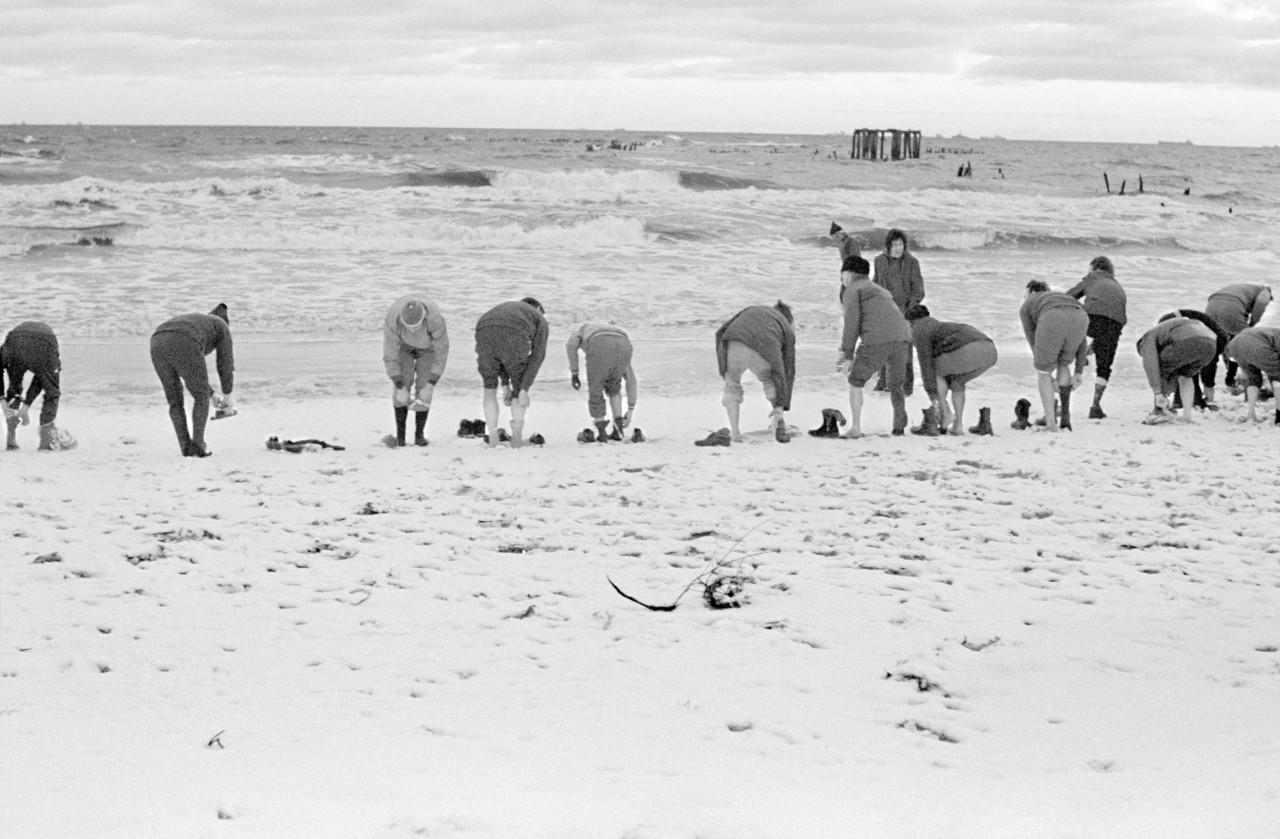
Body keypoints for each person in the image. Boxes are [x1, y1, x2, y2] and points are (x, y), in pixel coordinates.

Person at [698, 301, 795, 445]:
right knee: (769, 379)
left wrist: (723, 367)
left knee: (732, 384)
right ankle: (779, 421)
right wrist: (781, 404)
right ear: (789, 320)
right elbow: (787, 370)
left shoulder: (753, 309)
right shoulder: (785, 326)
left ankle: (735, 433)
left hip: (733, 341)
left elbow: (720, 332)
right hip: (764, 346)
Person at [838, 256, 912, 438]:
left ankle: (855, 427)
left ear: (849, 273)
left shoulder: (853, 290)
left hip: (877, 340)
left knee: (855, 381)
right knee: (896, 384)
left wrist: (847, 355)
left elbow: (851, 324)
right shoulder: (880, 290)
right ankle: (899, 426)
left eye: (842, 275)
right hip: (903, 338)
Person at [149, 303, 234, 457]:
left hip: (157, 341)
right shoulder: (222, 327)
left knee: (175, 401)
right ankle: (198, 445)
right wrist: (227, 396)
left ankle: (185, 447)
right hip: (185, 339)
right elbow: (225, 363)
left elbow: (189, 370)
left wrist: (213, 394)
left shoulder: (200, 321)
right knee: (201, 398)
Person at [904, 305, 998, 436]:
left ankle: (946, 413)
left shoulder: (919, 328)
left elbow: (926, 366)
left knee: (934, 372)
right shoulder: (937, 326)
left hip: (968, 350)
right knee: (956, 382)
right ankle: (957, 426)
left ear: (911, 322)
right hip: (990, 351)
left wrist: (933, 398)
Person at [474, 297, 548, 449]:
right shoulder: (539, 318)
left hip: (483, 326)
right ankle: (516, 439)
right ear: (538, 309)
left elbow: (500, 353)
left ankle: (493, 437)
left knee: (489, 388)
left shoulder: (509, 308)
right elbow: (537, 357)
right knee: (519, 385)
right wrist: (523, 389)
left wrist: (505, 385)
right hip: (513, 332)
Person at [1019, 281, 1088, 431]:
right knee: (1063, 364)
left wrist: (1045, 370)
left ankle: (1051, 424)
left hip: (1052, 317)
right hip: (1081, 316)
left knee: (1043, 373)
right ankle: (1065, 416)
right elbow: (1082, 342)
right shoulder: (1060, 297)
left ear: (1031, 291)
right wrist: (1078, 372)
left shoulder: (1028, 304)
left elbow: (1033, 340)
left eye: (1024, 294)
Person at [382, 295, 449, 447]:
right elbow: (390, 357)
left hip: (427, 348)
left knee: (424, 385)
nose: (412, 329)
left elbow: (441, 354)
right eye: (408, 326)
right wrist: (399, 387)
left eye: (416, 326)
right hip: (403, 346)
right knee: (403, 385)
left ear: (424, 318)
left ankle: (420, 436)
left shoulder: (435, 320)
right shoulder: (392, 319)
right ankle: (401, 437)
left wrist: (431, 384)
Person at [1065, 255, 1127, 418]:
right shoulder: (1116, 284)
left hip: (1091, 316)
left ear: (1095, 267)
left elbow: (1069, 296)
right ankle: (1095, 406)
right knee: (1104, 367)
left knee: (1075, 324)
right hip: (1115, 324)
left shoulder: (1093, 277)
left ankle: (1078, 353)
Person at [2, 321, 73, 451]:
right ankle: (46, 441)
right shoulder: (49, 351)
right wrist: (27, 403)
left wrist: (2, 399)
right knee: (52, 392)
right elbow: (43, 379)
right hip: (43, 343)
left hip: (14, 341)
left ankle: (11, 438)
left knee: (14, 389)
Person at [1136, 316, 1218, 424]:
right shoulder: (1164, 330)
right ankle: (1187, 415)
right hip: (1210, 344)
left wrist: (1158, 392)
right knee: (1186, 376)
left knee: (1161, 368)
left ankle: (1160, 411)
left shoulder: (1147, 337)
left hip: (1185, 340)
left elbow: (1152, 365)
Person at [872, 229, 925, 394]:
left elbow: (918, 290)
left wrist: (909, 311)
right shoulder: (879, 261)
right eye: (895, 244)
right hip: (886, 311)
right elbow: (876, 285)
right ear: (888, 246)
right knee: (884, 348)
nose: (898, 248)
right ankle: (883, 383)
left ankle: (906, 387)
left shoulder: (912, 262)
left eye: (901, 244)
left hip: (906, 312)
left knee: (905, 352)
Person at [565, 322, 637, 442]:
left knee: (596, 388)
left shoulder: (582, 330)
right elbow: (631, 380)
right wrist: (630, 409)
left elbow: (571, 345)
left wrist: (574, 373)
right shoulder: (615, 329)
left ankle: (601, 432)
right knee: (614, 386)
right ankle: (618, 429)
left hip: (599, 342)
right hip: (625, 344)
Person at [1204, 283, 1272, 389]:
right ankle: (1250, 382)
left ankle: (1217, 382)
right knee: (1245, 344)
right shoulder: (1265, 291)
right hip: (1231, 307)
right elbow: (1261, 302)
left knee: (1222, 345)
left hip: (1211, 307)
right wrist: (1252, 324)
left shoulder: (1243, 289)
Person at [1159, 309, 1230, 409]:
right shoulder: (1220, 339)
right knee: (1191, 365)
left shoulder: (1217, 333)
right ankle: (1190, 401)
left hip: (1170, 322)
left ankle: (1181, 401)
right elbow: (1210, 362)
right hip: (1178, 324)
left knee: (1187, 364)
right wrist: (1209, 385)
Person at [1225, 326, 1280, 424]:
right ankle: (1279, 417)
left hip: (1235, 345)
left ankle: (1251, 414)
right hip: (1258, 346)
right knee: (1277, 379)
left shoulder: (1270, 330)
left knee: (1253, 378)